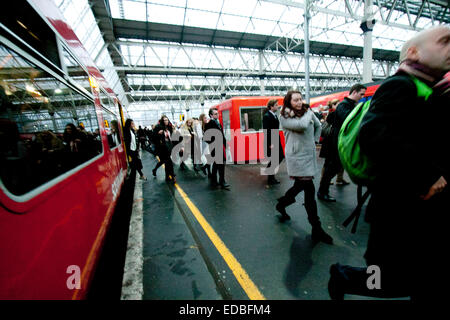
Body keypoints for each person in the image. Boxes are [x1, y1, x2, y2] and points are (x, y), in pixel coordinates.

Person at [328, 26, 450, 300]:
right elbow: (374, 134)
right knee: (386, 281)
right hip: (396, 210)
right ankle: (343, 276)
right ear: (413, 52)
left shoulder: (428, 90)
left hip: (414, 209)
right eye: (444, 42)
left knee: (420, 280)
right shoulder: (400, 85)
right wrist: (428, 175)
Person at [276, 90, 333, 245]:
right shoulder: (284, 116)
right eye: (296, 100)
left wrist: (313, 142)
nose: (300, 102)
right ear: (288, 102)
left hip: (308, 156)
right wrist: (310, 111)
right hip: (296, 158)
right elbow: (301, 126)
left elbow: (318, 126)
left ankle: (281, 204)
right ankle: (317, 228)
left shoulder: (307, 112)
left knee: (301, 187)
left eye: (301, 99)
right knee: (309, 190)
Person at [317, 83, 367, 202]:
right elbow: (350, 120)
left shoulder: (348, 105)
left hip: (340, 142)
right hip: (338, 143)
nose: (362, 97)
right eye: (361, 94)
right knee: (332, 168)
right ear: (354, 92)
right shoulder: (344, 106)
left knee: (333, 168)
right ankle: (322, 192)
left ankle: (322, 191)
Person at [204, 108, 230, 189]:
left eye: (217, 113)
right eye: (215, 114)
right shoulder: (209, 123)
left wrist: (225, 144)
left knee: (216, 165)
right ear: (211, 115)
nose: (217, 115)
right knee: (221, 164)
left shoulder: (218, 122)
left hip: (220, 146)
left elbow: (222, 135)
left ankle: (214, 181)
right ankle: (222, 182)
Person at [262, 99, 285, 185]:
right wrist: (269, 143)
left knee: (280, 156)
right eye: (276, 105)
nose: (277, 106)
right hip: (272, 141)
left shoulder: (274, 115)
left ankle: (270, 174)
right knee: (276, 158)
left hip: (276, 139)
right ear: (271, 107)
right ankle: (270, 177)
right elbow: (266, 131)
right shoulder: (267, 116)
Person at [152, 115, 176, 183]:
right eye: (165, 120)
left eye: (167, 120)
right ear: (162, 121)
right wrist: (158, 133)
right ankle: (172, 175)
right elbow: (153, 137)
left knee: (165, 162)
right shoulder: (158, 127)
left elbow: (171, 137)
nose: (166, 121)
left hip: (168, 147)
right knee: (169, 162)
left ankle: (167, 176)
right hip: (162, 148)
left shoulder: (168, 127)